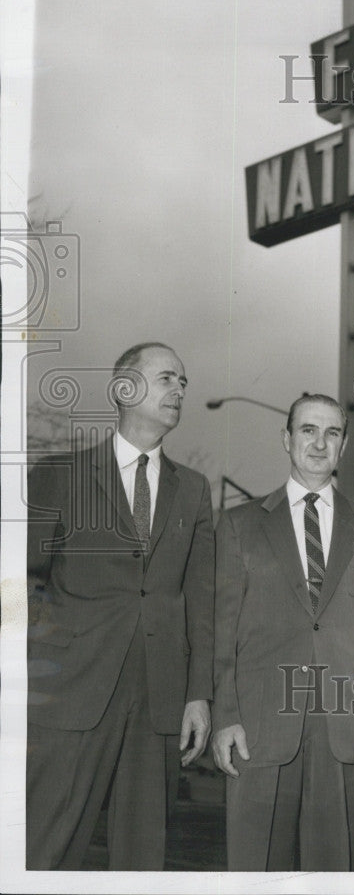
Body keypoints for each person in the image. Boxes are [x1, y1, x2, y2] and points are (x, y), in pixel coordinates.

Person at [26, 342, 215, 870]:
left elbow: (200, 601)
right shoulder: (59, 474)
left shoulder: (194, 490)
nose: (179, 389)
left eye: (183, 381)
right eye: (165, 378)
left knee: (143, 860)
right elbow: (20, 582)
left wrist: (198, 694)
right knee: (43, 849)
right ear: (123, 389)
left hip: (157, 701)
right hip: (68, 694)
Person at [211, 393, 354, 871]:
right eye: (308, 430)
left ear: (343, 448)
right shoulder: (240, 526)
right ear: (287, 439)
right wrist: (226, 716)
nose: (320, 442)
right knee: (255, 869)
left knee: (334, 870)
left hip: (345, 724)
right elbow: (222, 630)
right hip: (259, 725)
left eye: (332, 432)